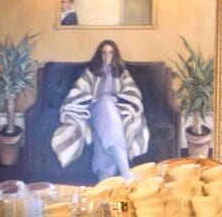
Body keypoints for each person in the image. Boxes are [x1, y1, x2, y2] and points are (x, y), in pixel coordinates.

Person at [50, 39, 148, 180]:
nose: (107, 56)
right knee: (104, 102)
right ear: (99, 54)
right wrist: (94, 100)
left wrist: (114, 100)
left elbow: (133, 94)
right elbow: (77, 91)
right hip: (93, 112)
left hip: (115, 115)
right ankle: (126, 172)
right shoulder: (91, 72)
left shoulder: (122, 73)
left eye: (110, 53)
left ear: (115, 55)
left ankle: (104, 184)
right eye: (104, 53)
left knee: (103, 134)